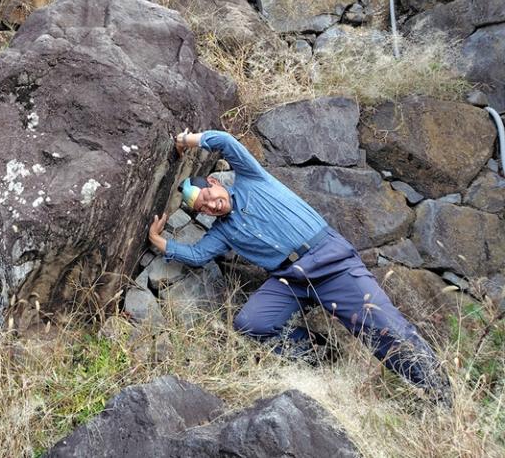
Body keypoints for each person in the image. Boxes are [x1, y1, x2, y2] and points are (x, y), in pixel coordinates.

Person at [147, 128, 451, 403]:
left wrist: (185, 141)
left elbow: (225, 142)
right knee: (250, 323)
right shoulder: (223, 232)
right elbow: (199, 255)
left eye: (209, 196)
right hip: (290, 280)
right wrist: (161, 243)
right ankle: (314, 354)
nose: (212, 205)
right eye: (204, 208)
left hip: (331, 262)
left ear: (214, 182)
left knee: (384, 327)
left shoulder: (251, 179)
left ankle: (439, 390)